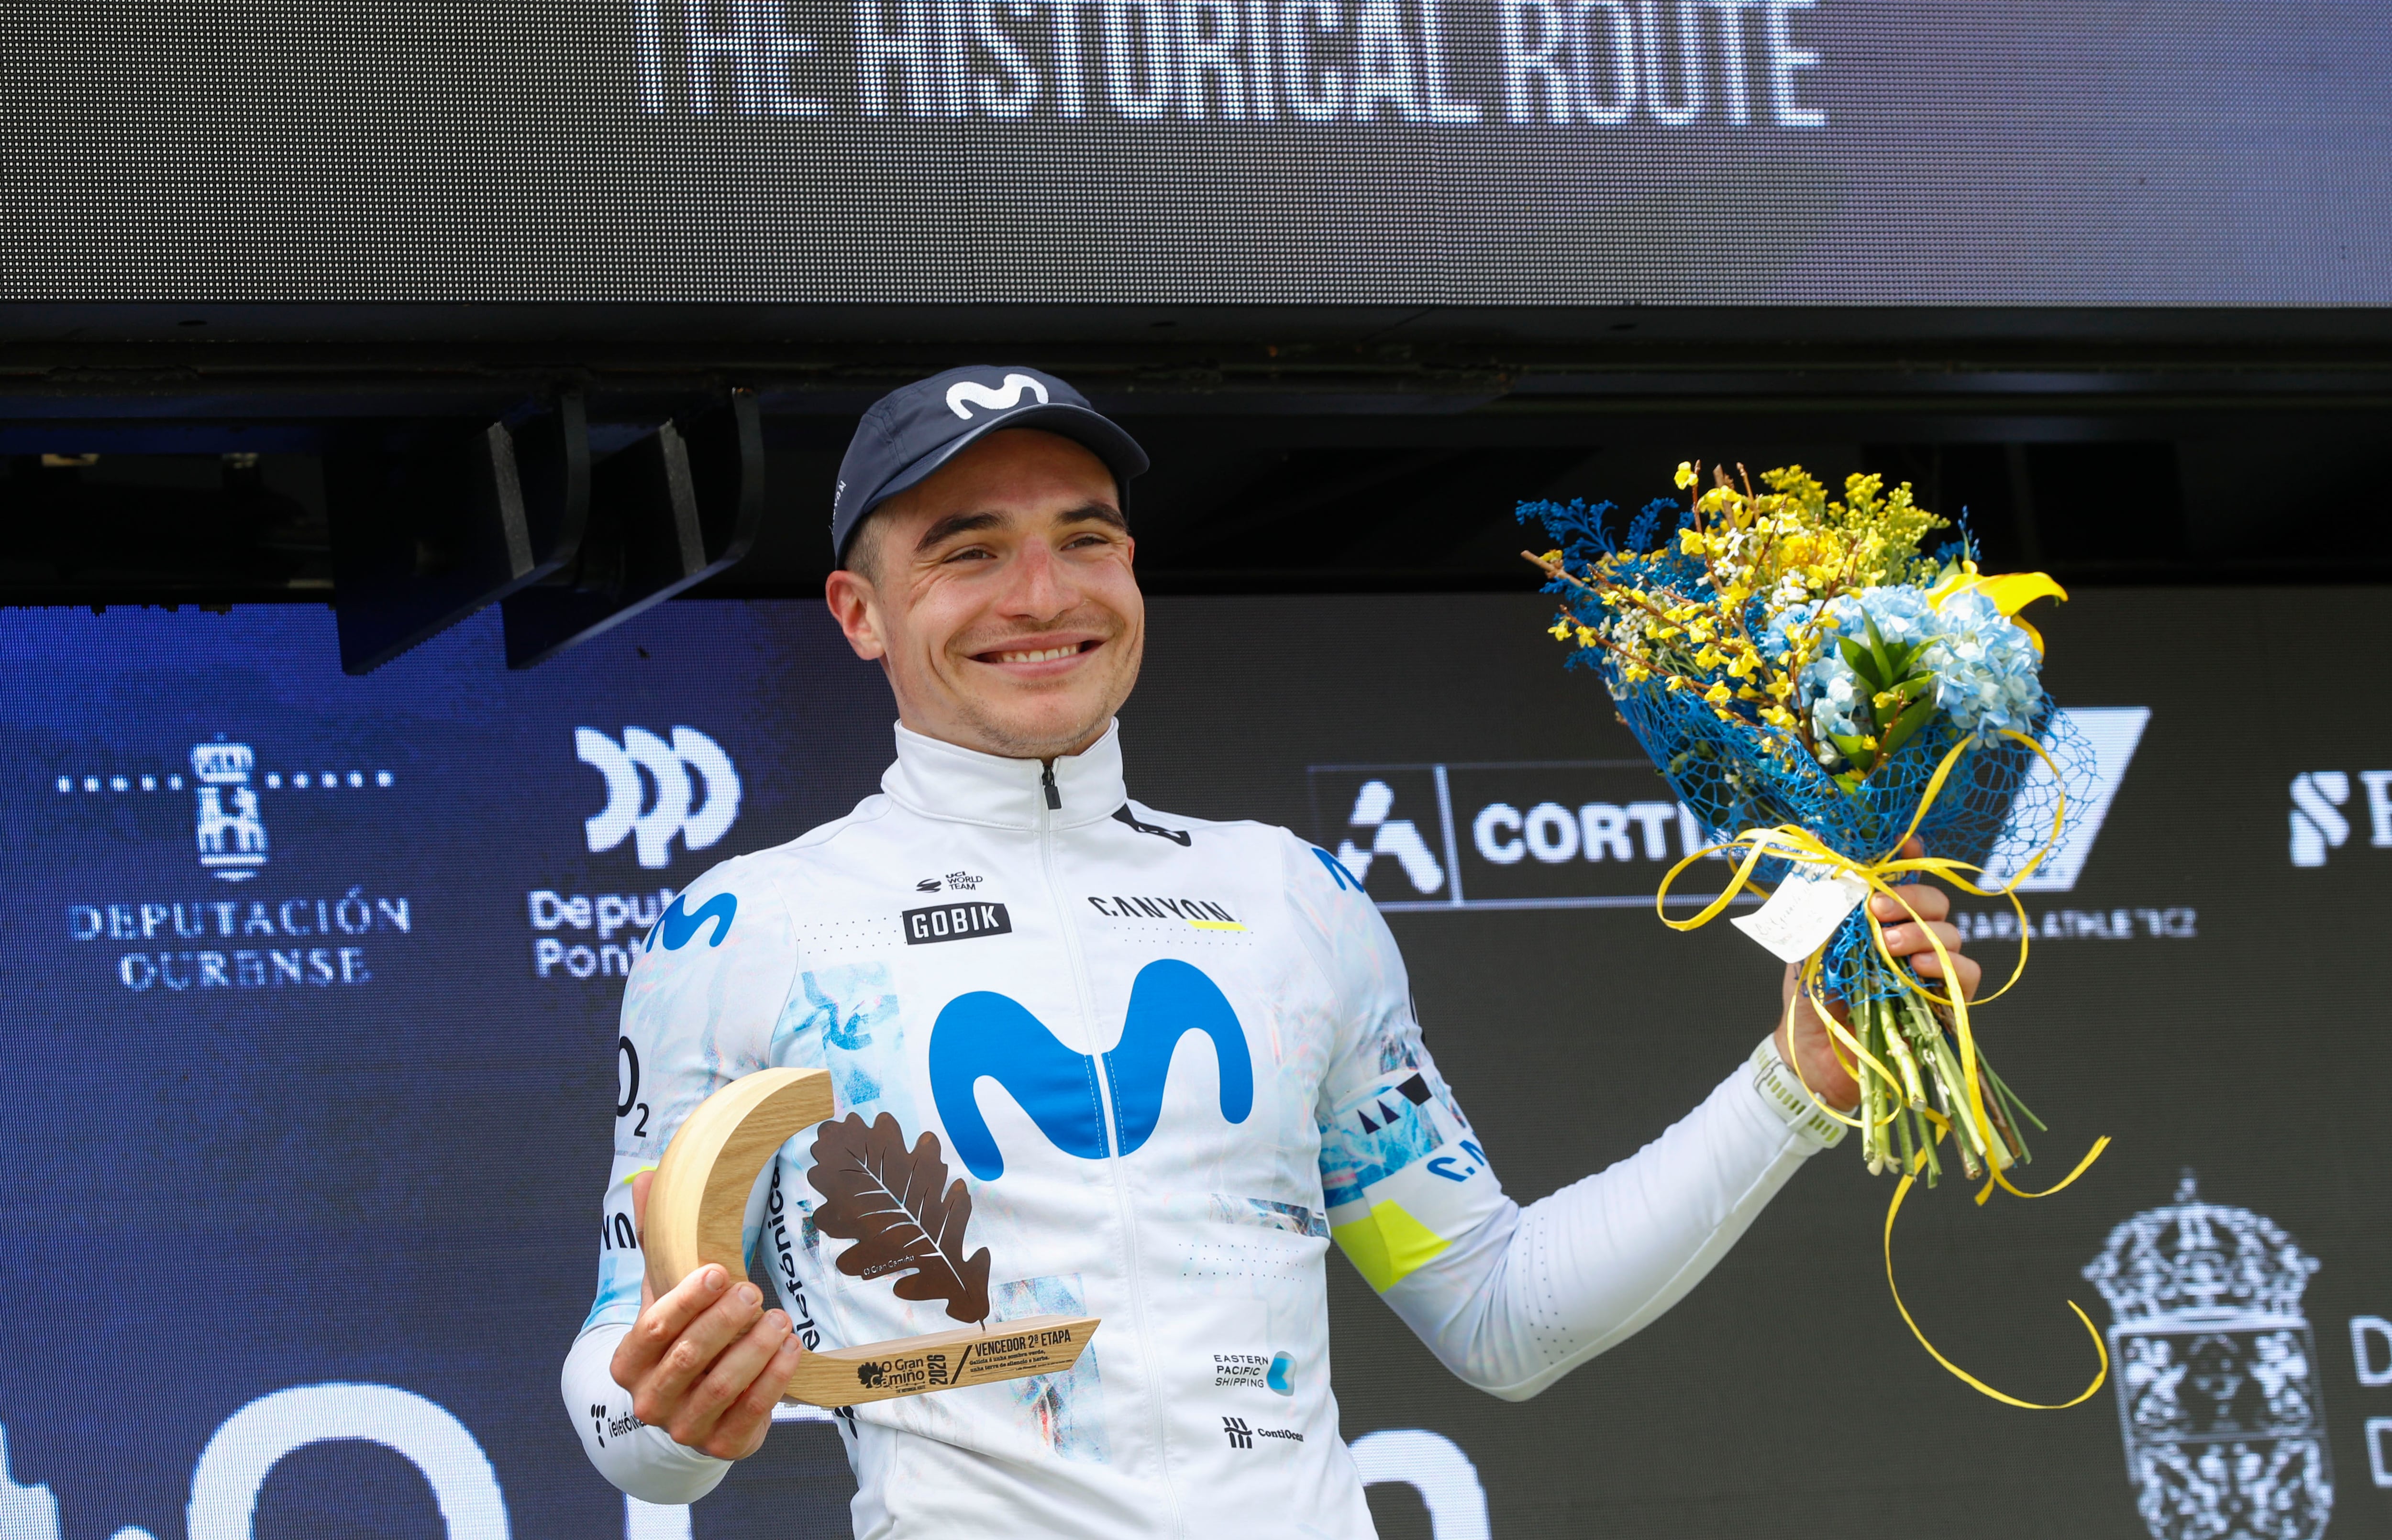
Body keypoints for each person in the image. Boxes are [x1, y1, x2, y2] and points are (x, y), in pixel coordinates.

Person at [559, 366, 1982, 1537]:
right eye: (968, 549)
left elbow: (1502, 1313)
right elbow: (624, 1396)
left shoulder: (1287, 898)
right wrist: (681, 1419)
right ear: (859, 614)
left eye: (1088, 536)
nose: (1044, 594)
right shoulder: (745, 930)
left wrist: (1795, 1084)